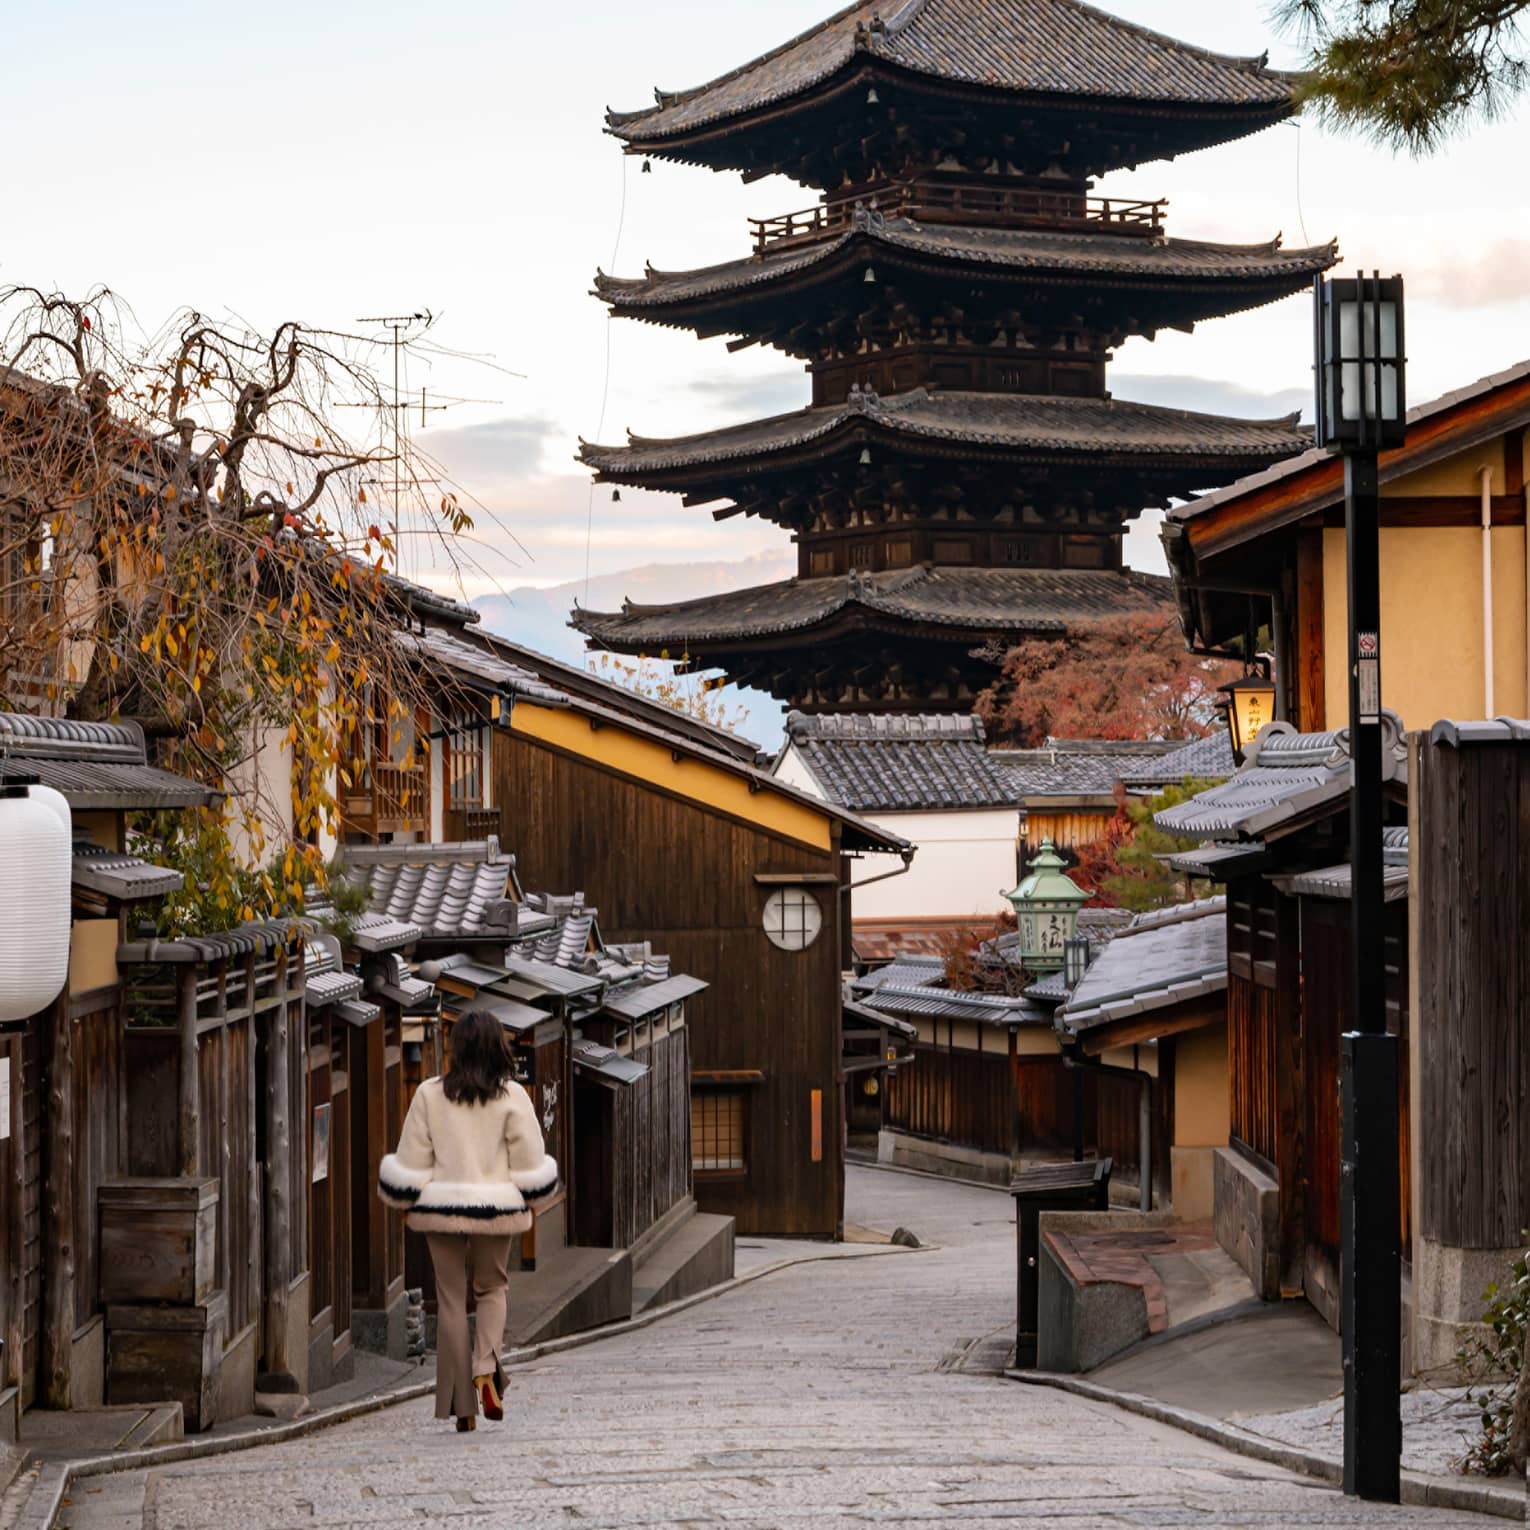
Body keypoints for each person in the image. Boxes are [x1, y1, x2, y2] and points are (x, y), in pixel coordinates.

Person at [378, 1010, 559, 1431]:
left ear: (457, 1049)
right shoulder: (512, 1096)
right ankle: (485, 1369)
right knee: (493, 1288)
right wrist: (531, 1200)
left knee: (451, 1299)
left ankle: (462, 1406)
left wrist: (406, 1200)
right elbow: (531, 1161)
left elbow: (412, 1159)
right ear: (499, 1047)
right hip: (495, 1209)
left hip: (440, 1209)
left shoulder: (428, 1094)